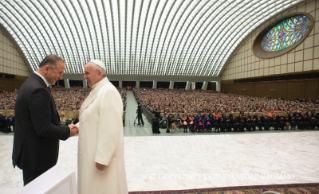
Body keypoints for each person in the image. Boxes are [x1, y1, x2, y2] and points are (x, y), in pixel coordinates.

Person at [12, 55, 79, 186]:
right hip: (37, 158)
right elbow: (43, 128)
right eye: (59, 73)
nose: (60, 77)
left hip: (32, 155)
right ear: (47, 68)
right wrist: (67, 131)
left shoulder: (32, 83)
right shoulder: (38, 89)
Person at [75, 60, 128, 194]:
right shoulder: (98, 90)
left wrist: (102, 158)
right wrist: (76, 127)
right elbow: (92, 118)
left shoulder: (108, 92)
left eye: (87, 73)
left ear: (99, 73)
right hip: (90, 154)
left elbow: (110, 128)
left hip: (100, 160)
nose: (84, 76)